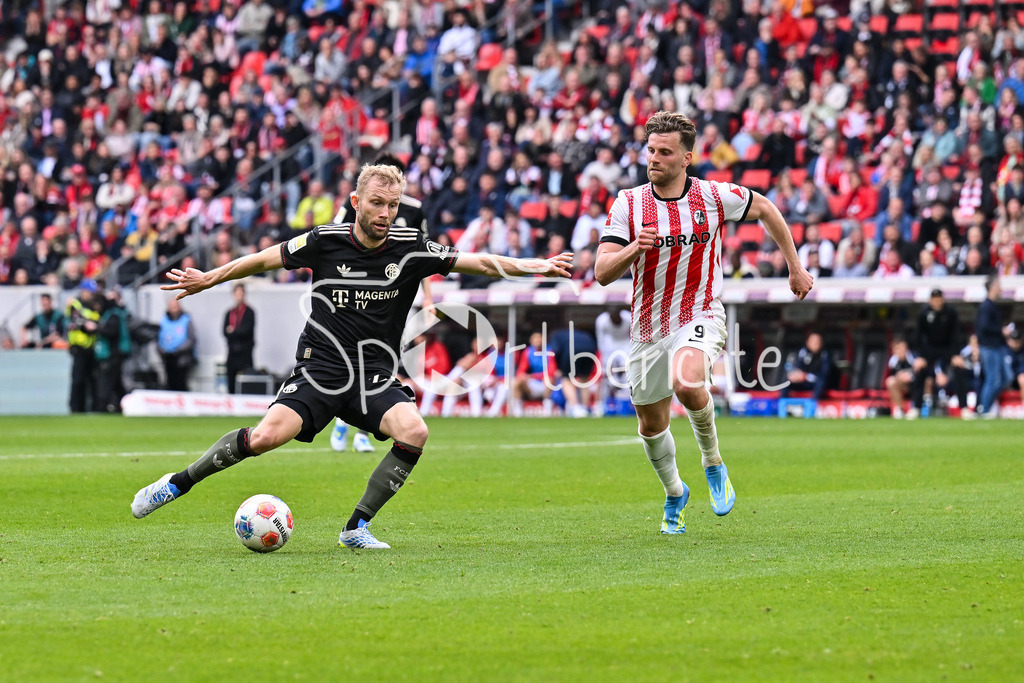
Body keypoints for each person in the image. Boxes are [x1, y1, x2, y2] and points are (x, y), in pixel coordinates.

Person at [131, 164, 572, 550]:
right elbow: (264, 259)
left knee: (414, 431)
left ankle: (356, 527)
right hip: (320, 367)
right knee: (265, 438)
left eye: (393, 205)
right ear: (356, 201)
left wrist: (538, 265)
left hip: (373, 374)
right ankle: (175, 484)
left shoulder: (411, 246)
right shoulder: (325, 240)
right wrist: (210, 278)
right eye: (377, 203)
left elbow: (477, 260)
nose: (385, 214)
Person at [595, 111, 813, 534]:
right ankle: (675, 491)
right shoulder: (629, 203)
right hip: (648, 327)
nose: (653, 159)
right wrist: (633, 250)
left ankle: (713, 462)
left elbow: (765, 207)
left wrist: (795, 267)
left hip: (701, 311)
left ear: (686, 158)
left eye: (664, 152)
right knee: (651, 424)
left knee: (687, 381)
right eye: (650, 150)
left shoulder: (712, 197)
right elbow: (603, 272)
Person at [330, 153, 433, 454]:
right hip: (356, 293)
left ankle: (362, 430)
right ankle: (342, 417)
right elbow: (335, 237)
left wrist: (427, 295)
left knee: (381, 363)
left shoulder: (414, 210)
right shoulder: (359, 203)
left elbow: (424, 258)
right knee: (352, 360)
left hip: (394, 297)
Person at [907, 289, 960, 419]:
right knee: (920, 371)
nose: (937, 302)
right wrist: (920, 356)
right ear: (930, 300)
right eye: (934, 299)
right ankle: (916, 408)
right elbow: (918, 336)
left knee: (959, 369)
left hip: (947, 348)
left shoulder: (950, 312)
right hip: (929, 348)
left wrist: (956, 354)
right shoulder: (924, 312)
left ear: (943, 299)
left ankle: (964, 408)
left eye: (939, 299)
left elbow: (956, 334)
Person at [977, 276, 1010, 417]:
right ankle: (984, 410)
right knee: (992, 379)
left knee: (1006, 377)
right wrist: (1001, 331)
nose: (1001, 288)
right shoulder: (986, 306)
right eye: (999, 285)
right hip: (989, 348)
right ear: (992, 287)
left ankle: (985, 407)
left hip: (996, 347)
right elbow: (983, 328)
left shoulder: (992, 306)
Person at [94, 289, 132, 413]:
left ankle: (103, 406)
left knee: (107, 381)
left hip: (113, 354)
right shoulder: (115, 313)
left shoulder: (113, 314)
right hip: (115, 353)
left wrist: (97, 328)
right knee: (116, 383)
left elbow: (111, 332)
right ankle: (124, 406)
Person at [65, 285, 101, 413]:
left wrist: (87, 323)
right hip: (78, 348)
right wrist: (87, 323)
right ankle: (75, 408)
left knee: (91, 380)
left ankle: (90, 407)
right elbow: (75, 320)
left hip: (90, 348)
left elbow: (96, 324)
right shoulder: (76, 304)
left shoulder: (93, 307)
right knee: (78, 380)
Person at [223, 283, 256, 394]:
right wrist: (236, 332)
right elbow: (224, 331)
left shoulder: (249, 312)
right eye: (237, 294)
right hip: (232, 352)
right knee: (231, 380)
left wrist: (233, 331)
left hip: (245, 352)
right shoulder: (229, 312)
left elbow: (246, 330)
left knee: (246, 380)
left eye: (241, 294)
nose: (239, 296)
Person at [158, 298, 196, 391]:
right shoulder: (164, 320)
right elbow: (159, 338)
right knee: (169, 384)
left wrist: (178, 350)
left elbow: (191, 339)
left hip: (181, 359)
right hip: (167, 358)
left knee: (181, 384)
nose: (174, 309)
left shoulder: (186, 319)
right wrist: (162, 351)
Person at [781, 332, 832, 400]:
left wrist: (806, 376)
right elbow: (798, 367)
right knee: (787, 380)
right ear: (808, 342)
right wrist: (797, 375)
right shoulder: (803, 352)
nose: (815, 344)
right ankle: (783, 404)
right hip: (803, 381)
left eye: (817, 341)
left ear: (821, 343)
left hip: (816, 381)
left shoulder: (825, 354)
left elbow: (824, 374)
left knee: (821, 381)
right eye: (813, 341)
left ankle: (813, 404)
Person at [885, 338, 915, 419]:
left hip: (916, 384)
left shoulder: (913, 358)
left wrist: (910, 376)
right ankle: (900, 409)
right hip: (904, 386)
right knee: (890, 381)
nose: (902, 350)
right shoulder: (893, 361)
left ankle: (918, 409)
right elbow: (894, 375)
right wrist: (900, 376)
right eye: (899, 348)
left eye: (903, 348)